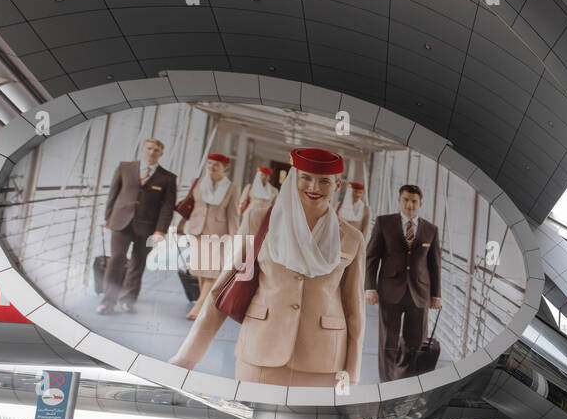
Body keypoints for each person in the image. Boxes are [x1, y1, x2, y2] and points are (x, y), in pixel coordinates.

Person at [170, 147, 365, 388]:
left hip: (324, 359)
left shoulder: (351, 237)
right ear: (293, 179)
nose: (314, 187)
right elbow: (223, 288)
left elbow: (354, 311)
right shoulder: (259, 219)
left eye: (324, 181)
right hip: (260, 350)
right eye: (305, 178)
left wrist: (352, 374)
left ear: (337, 186)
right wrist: (187, 357)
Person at [364, 184, 441, 381]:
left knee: (415, 343)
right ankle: (388, 384)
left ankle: (407, 382)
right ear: (400, 200)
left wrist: (436, 295)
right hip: (390, 291)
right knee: (388, 343)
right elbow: (371, 258)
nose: (410, 204)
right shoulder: (384, 223)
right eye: (406, 200)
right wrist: (370, 288)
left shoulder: (431, 230)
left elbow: (435, 265)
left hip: (420, 294)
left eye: (414, 201)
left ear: (420, 203)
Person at [98, 138, 177, 314]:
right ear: (143, 149)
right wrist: (107, 217)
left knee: (138, 262)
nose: (152, 152)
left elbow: (167, 207)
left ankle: (128, 300)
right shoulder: (124, 168)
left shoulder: (168, 178)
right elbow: (113, 193)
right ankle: (107, 302)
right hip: (120, 222)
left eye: (156, 150)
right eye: (149, 148)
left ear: (161, 153)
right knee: (116, 259)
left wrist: (160, 230)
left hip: (148, 227)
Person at [181, 152, 240, 320]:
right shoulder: (198, 183)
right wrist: (181, 225)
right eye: (209, 164)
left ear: (225, 168)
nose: (211, 168)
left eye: (216, 165)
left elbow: (233, 214)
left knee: (212, 271)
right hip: (197, 231)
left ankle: (198, 308)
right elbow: (190, 206)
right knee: (200, 270)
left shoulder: (232, 188)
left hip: (219, 233)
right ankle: (203, 301)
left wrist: (233, 238)